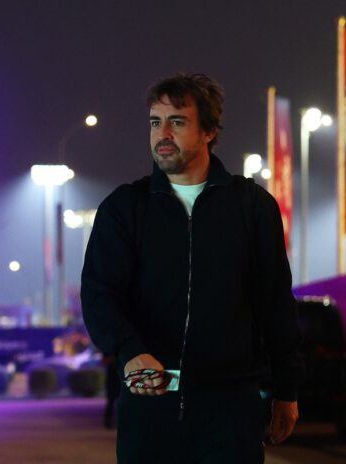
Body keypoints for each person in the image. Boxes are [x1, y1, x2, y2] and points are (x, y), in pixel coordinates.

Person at [81, 73, 304, 463]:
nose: (163, 134)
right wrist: (130, 352)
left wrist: (287, 389)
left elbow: (275, 305)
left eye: (177, 121)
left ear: (209, 132)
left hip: (230, 414)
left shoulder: (252, 207)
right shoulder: (125, 208)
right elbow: (100, 295)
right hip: (149, 411)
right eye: (156, 122)